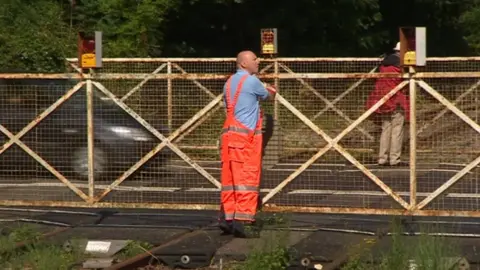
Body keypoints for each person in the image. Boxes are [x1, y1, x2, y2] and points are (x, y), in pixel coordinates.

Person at [218, 50, 276, 238]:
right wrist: (271, 87)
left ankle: (228, 219)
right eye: (254, 59)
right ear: (243, 63)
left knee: (230, 181)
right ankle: (244, 222)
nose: (258, 61)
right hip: (245, 140)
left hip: (229, 137)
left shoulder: (229, 83)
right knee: (247, 180)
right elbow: (269, 96)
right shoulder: (252, 81)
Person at [366, 42, 409, 166]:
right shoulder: (400, 65)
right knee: (397, 130)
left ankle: (382, 158)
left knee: (386, 128)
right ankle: (394, 159)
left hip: (383, 98)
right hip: (397, 99)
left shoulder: (383, 64)